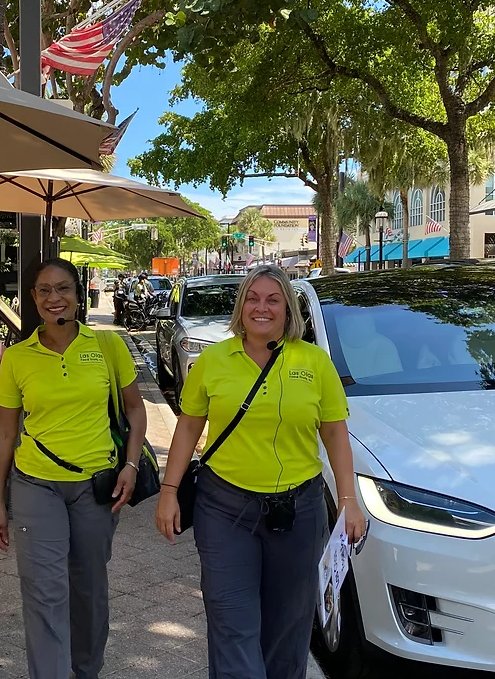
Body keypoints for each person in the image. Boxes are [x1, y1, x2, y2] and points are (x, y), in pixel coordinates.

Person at [154, 265, 367, 679]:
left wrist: (348, 501)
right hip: (224, 509)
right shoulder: (214, 360)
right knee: (232, 623)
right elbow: (188, 428)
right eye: (252, 298)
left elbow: (336, 434)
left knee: (288, 630)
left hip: (298, 510)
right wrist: (168, 491)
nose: (261, 307)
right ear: (240, 307)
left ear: (288, 309)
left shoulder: (315, 362)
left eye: (273, 299)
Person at [0, 258, 148, 679]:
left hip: (96, 486)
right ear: (33, 299)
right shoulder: (18, 358)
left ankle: (86, 670)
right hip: (35, 484)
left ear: (79, 295)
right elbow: (4, 435)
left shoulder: (108, 347)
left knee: (90, 589)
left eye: (62, 289)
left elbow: (135, 410)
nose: (53, 298)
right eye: (43, 290)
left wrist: (130, 465)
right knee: (44, 592)